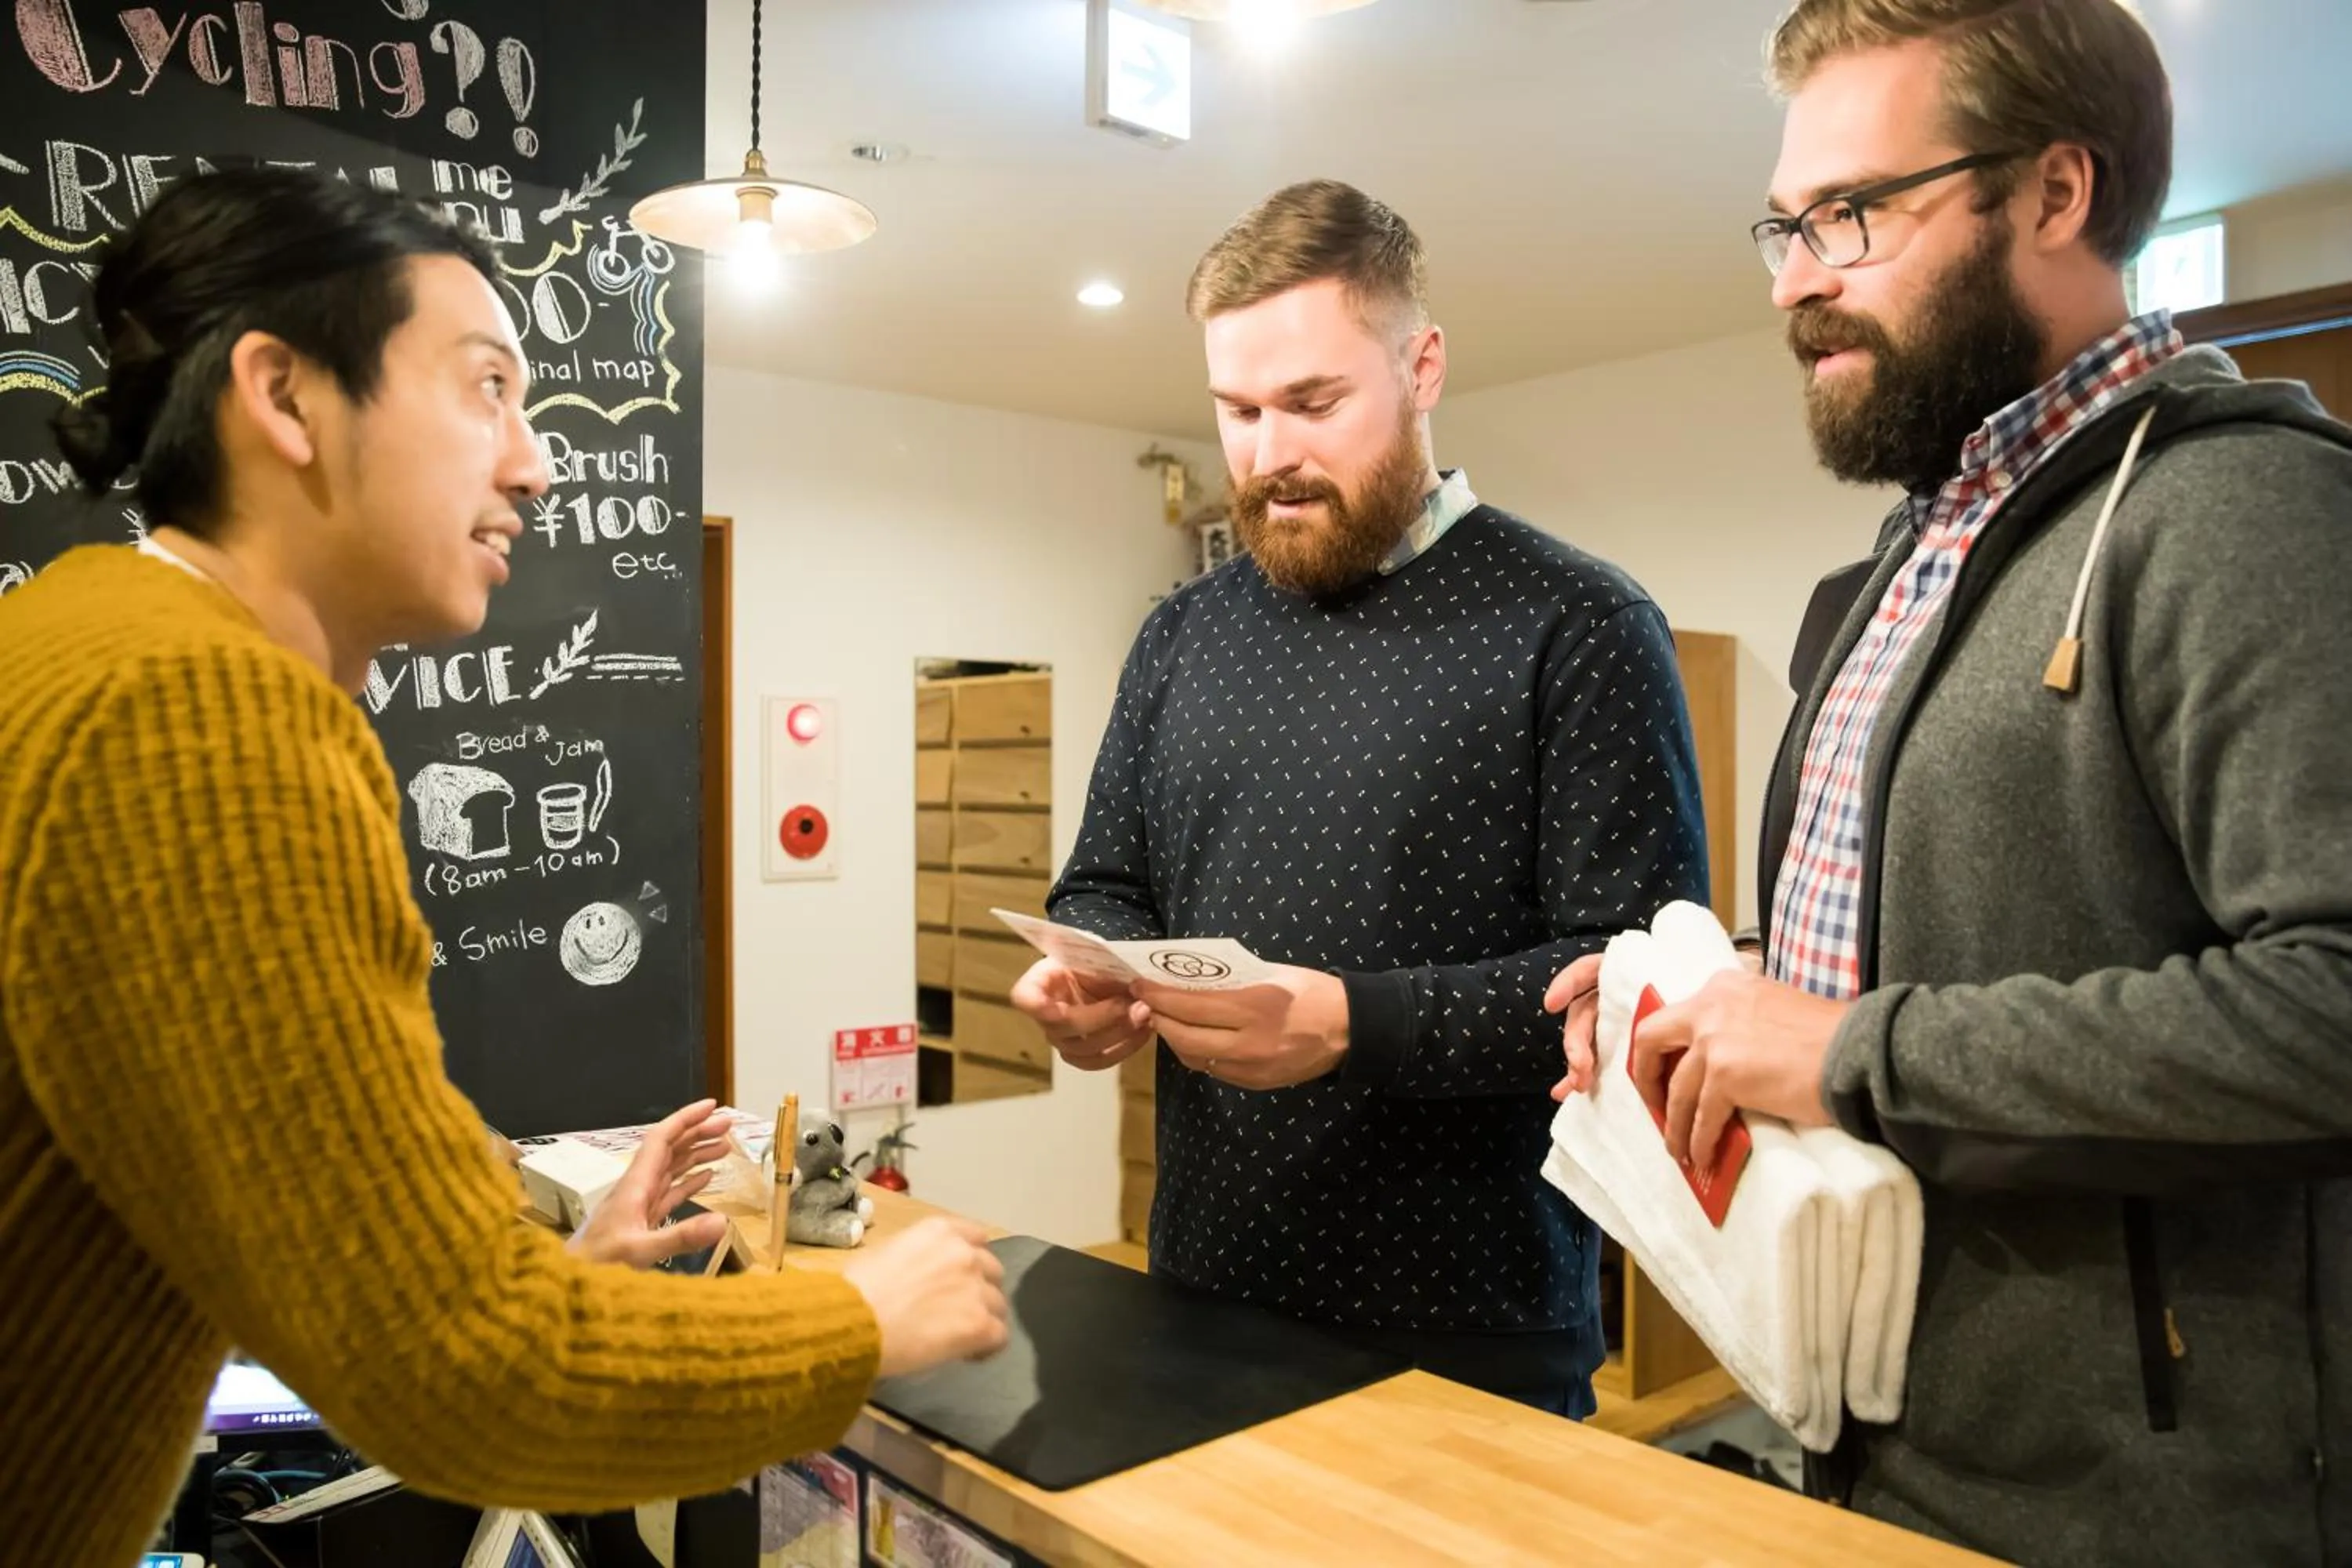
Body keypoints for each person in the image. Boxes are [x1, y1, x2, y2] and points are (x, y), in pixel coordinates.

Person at [0, 166, 1007, 1568]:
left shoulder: (81, 638)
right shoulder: (201, 711)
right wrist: (860, 1319)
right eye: (485, 388)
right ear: (283, 397)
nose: (534, 460)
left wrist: (536, 1269)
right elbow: (466, 1378)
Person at [1547, 2, 2352, 1560]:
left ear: (2055, 193)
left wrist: (1851, 1046)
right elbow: (1942, 957)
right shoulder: (1900, 566)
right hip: (1875, 1446)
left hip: (2142, 1511)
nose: (1796, 274)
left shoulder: (2241, 516)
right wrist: (1713, 1009)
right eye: (1784, 223)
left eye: (1853, 212)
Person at [1017, 180, 1709, 1417]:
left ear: (1423, 365)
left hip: (1472, 1339)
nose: (1269, 453)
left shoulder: (1580, 623)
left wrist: (1355, 1025)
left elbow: (1639, 982)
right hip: (1201, 1300)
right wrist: (1093, 976)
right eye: (1235, 410)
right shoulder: (1179, 634)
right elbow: (1106, 882)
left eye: (1313, 403)